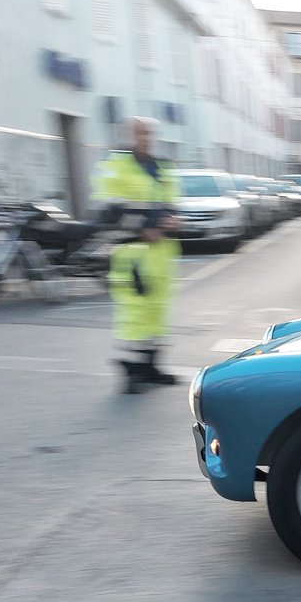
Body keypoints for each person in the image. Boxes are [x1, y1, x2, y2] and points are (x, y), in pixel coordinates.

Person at [93, 117, 182, 394]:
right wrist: (142, 229)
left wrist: (172, 219)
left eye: (148, 133)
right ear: (128, 135)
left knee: (156, 313)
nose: (145, 137)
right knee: (134, 313)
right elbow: (109, 209)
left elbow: (170, 203)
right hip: (132, 252)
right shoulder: (116, 165)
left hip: (161, 252)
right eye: (139, 133)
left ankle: (150, 366)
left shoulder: (162, 167)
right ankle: (131, 371)